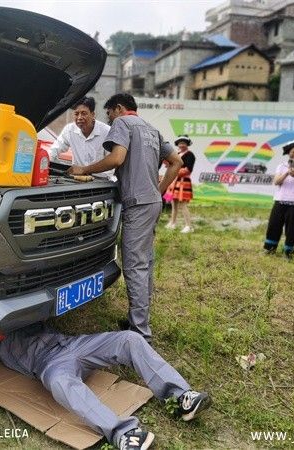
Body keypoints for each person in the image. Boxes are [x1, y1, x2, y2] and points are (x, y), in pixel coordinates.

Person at [0, 323, 212, 450]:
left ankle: (181, 396)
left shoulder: (17, 309)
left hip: (74, 345)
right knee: (59, 383)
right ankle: (124, 434)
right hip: (51, 365)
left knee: (128, 339)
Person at [68, 93, 183, 343]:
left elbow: (117, 158)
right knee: (146, 262)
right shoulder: (152, 129)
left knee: (134, 265)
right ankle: (138, 320)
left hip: (138, 205)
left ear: (119, 109)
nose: (110, 122)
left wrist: (84, 169)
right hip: (151, 203)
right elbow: (176, 162)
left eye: (109, 114)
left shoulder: (123, 123)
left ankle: (140, 333)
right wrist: (159, 191)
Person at [263, 140, 294, 259]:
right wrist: (286, 173)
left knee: (292, 229)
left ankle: (288, 253)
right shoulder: (281, 165)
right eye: (293, 152)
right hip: (280, 201)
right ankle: (270, 249)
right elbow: (276, 182)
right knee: (274, 225)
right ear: (288, 153)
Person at [49, 96, 114, 179]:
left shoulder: (107, 132)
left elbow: (111, 164)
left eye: (84, 113)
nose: (79, 118)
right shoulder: (69, 130)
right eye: (76, 114)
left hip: (101, 182)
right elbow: (54, 150)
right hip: (78, 180)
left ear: (93, 114)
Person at [165, 135, 196, 233]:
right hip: (174, 181)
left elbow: (187, 170)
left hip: (183, 182)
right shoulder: (177, 154)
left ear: (187, 144)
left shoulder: (190, 155)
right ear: (177, 144)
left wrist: (174, 170)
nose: (181, 145)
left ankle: (188, 226)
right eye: (180, 143)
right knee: (173, 203)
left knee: (183, 204)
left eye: (184, 143)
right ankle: (173, 223)